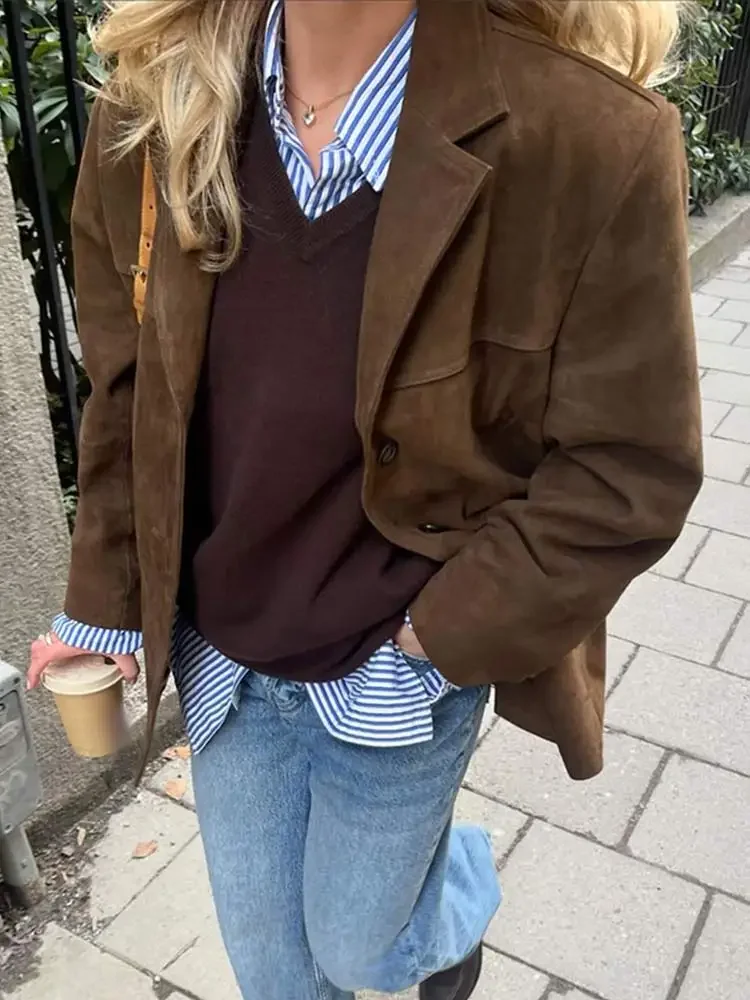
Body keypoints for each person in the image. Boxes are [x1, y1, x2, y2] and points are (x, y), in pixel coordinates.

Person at [27, 1, 702, 998]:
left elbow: (628, 467)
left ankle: (449, 901)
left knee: (358, 949)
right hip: (225, 656)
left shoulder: (588, 140)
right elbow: (130, 393)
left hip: (396, 668)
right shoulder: (159, 102)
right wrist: (105, 602)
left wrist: (437, 638)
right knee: (277, 977)